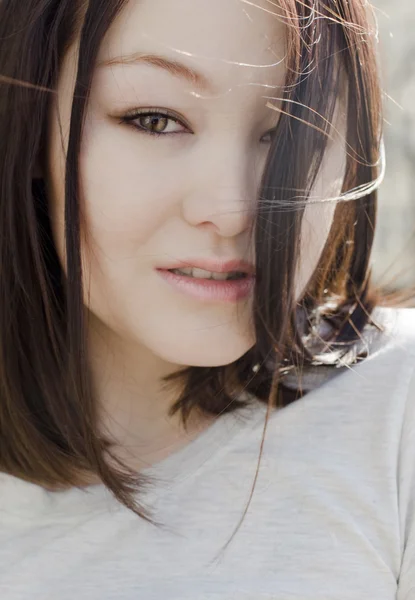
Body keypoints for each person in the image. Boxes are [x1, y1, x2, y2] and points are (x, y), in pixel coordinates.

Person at [0, 0, 414, 597]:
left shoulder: (397, 416)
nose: (232, 209)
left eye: (290, 132)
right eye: (154, 120)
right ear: (29, 123)